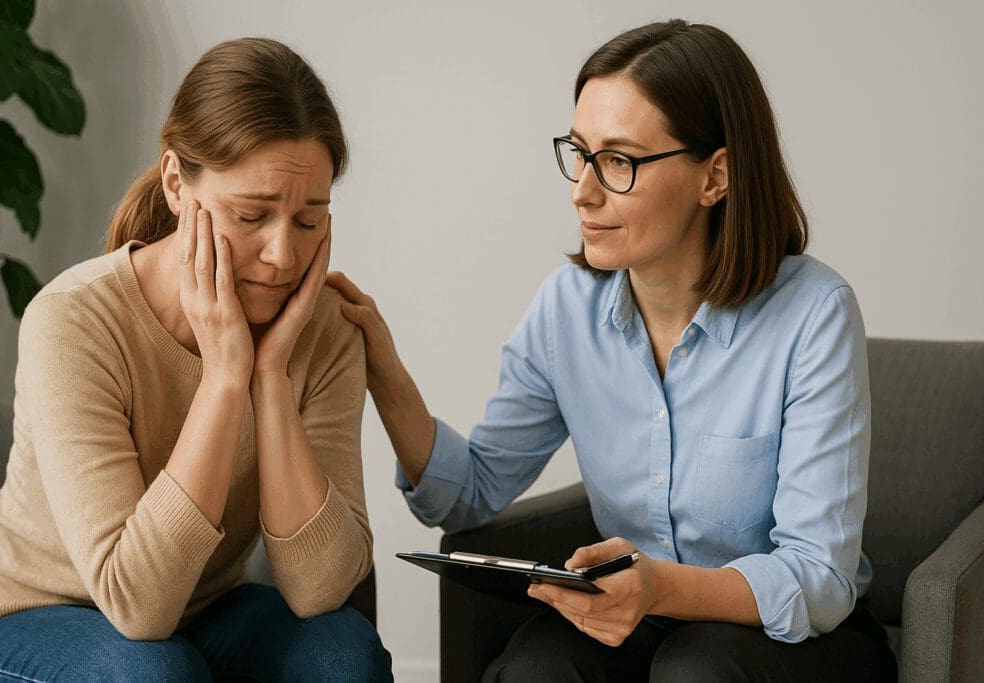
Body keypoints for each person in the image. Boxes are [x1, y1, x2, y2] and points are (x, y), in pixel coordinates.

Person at [328, 19, 896, 681]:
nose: (582, 190)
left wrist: (658, 587)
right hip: (641, 619)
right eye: (579, 153)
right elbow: (470, 494)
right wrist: (384, 369)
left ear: (716, 175)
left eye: (619, 162)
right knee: (535, 667)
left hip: (795, 637)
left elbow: (818, 577)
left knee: (695, 668)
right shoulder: (567, 309)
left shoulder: (814, 314)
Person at [0, 38, 392, 682]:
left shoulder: (323, 329)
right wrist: (224, 376)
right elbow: (137, 605)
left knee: (343, 655)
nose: (282, 254)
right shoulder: (73, 319)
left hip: (200, 609)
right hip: (30, 618)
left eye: (309, 220)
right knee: (152, 672)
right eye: (251, 215)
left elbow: (320, 588)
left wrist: (269, 376)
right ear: (175, 185)